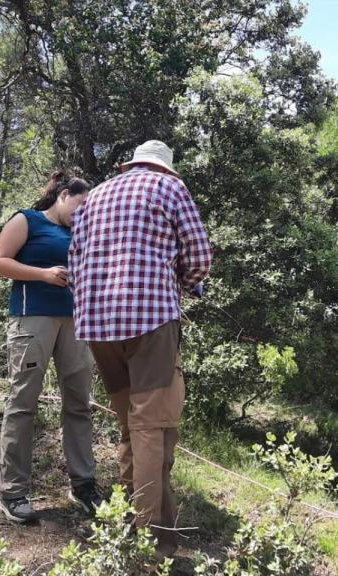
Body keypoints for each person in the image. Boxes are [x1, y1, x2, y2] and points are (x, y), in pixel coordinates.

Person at [68, 140, 212, 559]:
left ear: (130, 164)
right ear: (165, 168)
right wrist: (181, 284)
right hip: (150, 321)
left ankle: (129, 521)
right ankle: (151, 544)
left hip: (98, 326)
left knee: (130, 425)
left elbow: (75, 263)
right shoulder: (169, 187)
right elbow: (200, 257)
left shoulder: (94, 196)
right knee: (152, 427)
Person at [0, 170, 103, 523]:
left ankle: (83, 485)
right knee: (23, 403)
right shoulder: (28, 220)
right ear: (64, 194)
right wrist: (43, 274)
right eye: (81, 205)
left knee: (79, 404)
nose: (83, 213)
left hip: (76, 324)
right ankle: (13, 492)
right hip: (32, 320)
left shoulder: (82, 231)